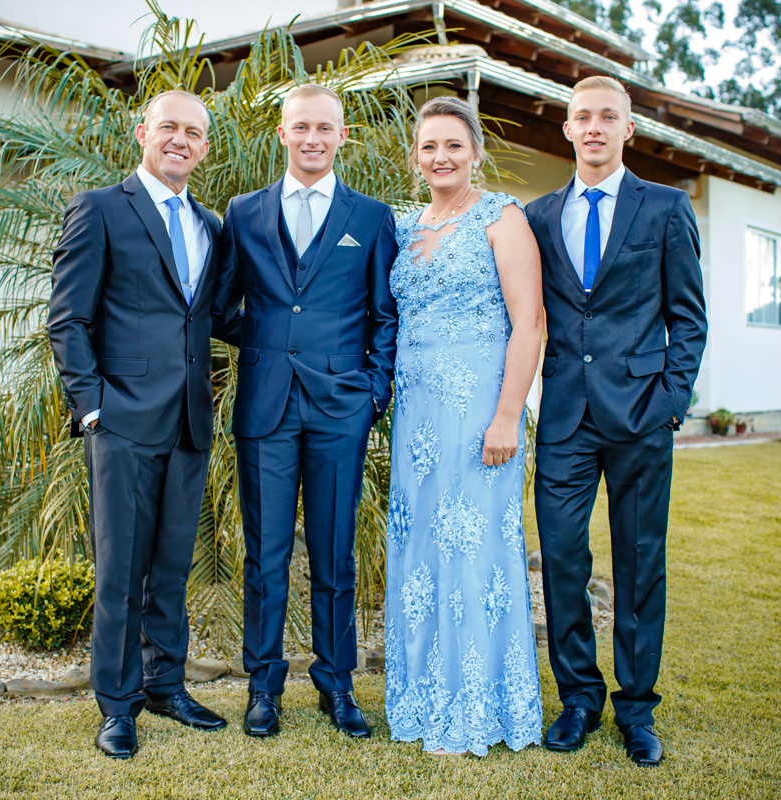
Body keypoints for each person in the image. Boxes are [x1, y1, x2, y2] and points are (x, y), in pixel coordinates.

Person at [47, 89, 239, 759]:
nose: (180, 140)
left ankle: (165, 686)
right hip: (122, 421)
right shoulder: (101, 208)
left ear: (205, 147)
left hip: (188, 422)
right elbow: (68, 317)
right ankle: (118, 705)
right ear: (143, 133)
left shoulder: (211, 225)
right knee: (121, 573)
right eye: (168, 128)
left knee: (172, 567)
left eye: (193, 132)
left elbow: (215, 317)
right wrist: (92, 407)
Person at [524, 75, 707, 767]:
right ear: (567, 129)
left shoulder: (665, 207)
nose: (594, 127)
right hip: (564, 416)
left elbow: (689, 317)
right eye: (583, 117)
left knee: (639, 562)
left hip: (641, 416)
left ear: (628, 129)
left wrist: (669, 402)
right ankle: (578, 699)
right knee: (562, 559)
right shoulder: (538, 216)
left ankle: (636, 708)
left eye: (608, 116)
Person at [212, 84, 398, 738]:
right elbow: (221, 307)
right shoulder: (244, 212)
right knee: (264, 555)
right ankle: (263, 688)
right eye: (301, 127)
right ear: (283, 134)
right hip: (265, 406)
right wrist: (270, 343)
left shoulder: (371, 217)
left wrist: (373, 391)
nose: (312, 138)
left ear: (342, 136)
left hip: (341, 409)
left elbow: (384, 315)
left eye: (324, 128)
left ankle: (336, 683)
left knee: (334, 552)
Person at [383, 96, 545, 756]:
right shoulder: (402, 226)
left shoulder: (502, 218)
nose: (441, 156)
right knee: (421, 550)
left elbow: (529, 323)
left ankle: (479, 700)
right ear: (415, 157)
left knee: (473, 548)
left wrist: (508, 415)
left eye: (454, 144)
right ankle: (424, 696)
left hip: (480, 411)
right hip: (416, 417)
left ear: (476, 152)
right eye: (429, 146)